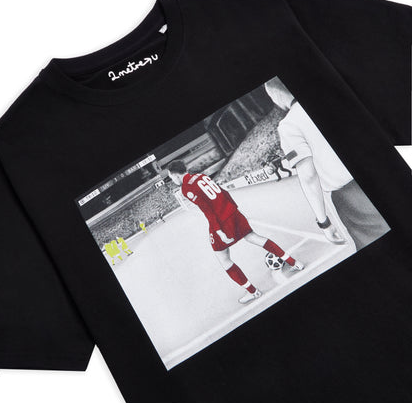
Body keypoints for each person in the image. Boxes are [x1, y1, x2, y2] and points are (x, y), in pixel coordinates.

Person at [264, 78, 390, 250]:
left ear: (276, 95)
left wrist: (324, 222)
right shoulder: (330, 97)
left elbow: (308, 176)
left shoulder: (289, 126)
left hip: (354, 196)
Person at [167, 160, 304, 305]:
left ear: (175, 175)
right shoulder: (201, 176)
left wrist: (219, 231)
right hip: (233, 212)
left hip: (222, 221)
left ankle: (252, 291)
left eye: (171, 178)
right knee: (253, 237)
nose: (173, 181)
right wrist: (235, 210)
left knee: (223, 259)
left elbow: (208, 210)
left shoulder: (186, 188)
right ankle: (294, 263)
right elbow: (224, 192)